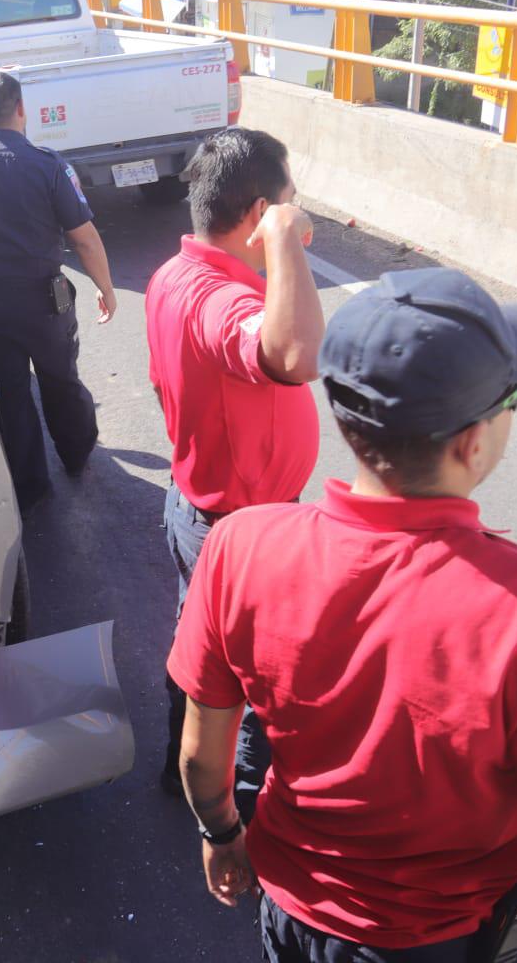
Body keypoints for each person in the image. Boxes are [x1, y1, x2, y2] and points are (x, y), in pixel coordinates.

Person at [168, 267, 517, 963]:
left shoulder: (239, 545)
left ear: (346, 420)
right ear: (472, 443)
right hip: (439, 943)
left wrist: (222, 834)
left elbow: (202, 755)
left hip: (291, 914)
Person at [144, 128, 325, 813]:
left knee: (197, 647)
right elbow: (296, 355)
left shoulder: (172, 275)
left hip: (198, 503)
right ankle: (236, 811)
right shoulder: (222, 299)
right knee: (249, 683)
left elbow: (165, 385)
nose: (297, 210)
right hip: (240, 527)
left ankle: (177, 769)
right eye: (287, 202)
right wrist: (283, 237)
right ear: (255, 215)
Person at [0, 71, 114, 512]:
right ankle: (76, 455)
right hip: (45, 299)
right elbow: (84, 238)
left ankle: (30, 486)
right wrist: (106, 288)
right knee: (60, 378)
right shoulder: (48, 165)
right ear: (21, 109)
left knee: (10, 393)